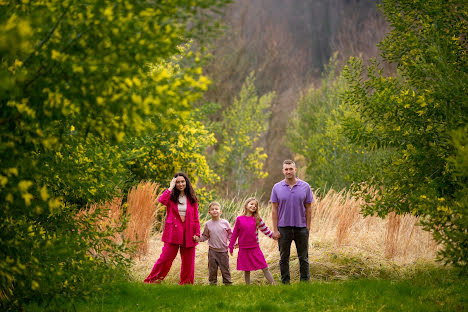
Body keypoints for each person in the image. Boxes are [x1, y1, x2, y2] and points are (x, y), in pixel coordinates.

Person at [144, 172, 200, 285]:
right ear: (175, 183)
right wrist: (170, 187)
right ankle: (152, 280)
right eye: (178, 182)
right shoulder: (170, 196)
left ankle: (186, 283)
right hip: (173, 230)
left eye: (182, 181)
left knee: (189, 261)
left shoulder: (192, 198)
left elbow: (196, 218)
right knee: (165, 258)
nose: (180, 184)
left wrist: (197, 233)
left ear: (186, 182)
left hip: (189, 230)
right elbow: (161, 200)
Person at [270, 159, 313, 284]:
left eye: (291, 169)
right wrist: (275, 229)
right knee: (284, 258)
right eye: (286, 169)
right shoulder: (277, 187)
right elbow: (274, 210)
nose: (288, 171)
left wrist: (308, 228)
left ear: (295, 170)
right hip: (283, 228)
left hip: (301, 228)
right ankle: (285, 283)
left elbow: (309, 208)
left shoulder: (305, 186)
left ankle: (305, 282)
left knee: (303, 258)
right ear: (283, 171)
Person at [229, 197, 275, 285]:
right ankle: (248, 287)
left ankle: (274, 285)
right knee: (247, 270)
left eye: (255, 205)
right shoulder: (239, 219)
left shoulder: (257, 219)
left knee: (264, 267)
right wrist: (231, 246)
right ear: (246, 205)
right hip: (243, 248)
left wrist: (273, 236)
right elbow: (235, 234)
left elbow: (265, 230)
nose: (253, 206)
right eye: (251, 204)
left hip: (255, 248)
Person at [195, 201, 233, 285]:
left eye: (216, 209)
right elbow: (205, 236)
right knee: (212, 269)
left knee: (225, 269)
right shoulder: (208, 224)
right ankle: (212, 284)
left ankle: (228, 284)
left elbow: (230, 234)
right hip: (212, 251)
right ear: (209, 212)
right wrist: (198, 239)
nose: (214, 211)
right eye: (212, 209)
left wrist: (234, 243)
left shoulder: (225, 223)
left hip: (223, 251)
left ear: (220, 211)